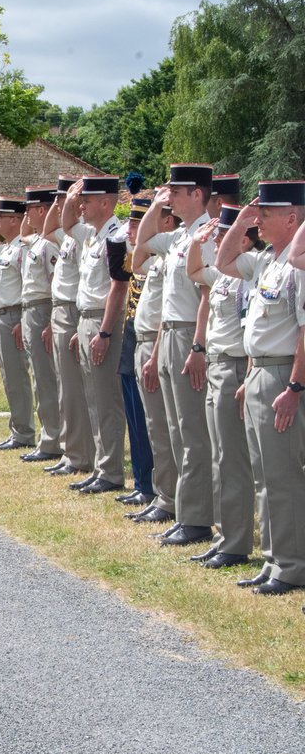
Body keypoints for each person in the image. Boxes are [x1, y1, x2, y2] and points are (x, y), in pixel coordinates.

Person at [216, 181, 305, 595]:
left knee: (283, 475)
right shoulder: (267, 261)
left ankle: (291, 565)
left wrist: (295, 387)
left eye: (266, 213)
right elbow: (224, 260)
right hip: (258, 373)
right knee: (264, 477)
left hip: (282, 375)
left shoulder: (297, 267)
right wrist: (241, 221)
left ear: (292, 218)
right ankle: (273, 560)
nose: (259, 219)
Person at [133, 164, 216, 546]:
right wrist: (154, 204)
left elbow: (207, 294)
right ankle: (185, 511)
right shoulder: (181, 235)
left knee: (192, 431)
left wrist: (198, 345)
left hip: (188, 335)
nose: (171, 197)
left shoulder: (208, 234)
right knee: (175, 429)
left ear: (197, 193)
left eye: (177, 191)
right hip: (169, 332)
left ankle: (197, 519)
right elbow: (144, 242)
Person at [186, 205, 255, 568]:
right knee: (219, 457)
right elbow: (194, 271)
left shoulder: (246, 275)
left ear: (243, 238)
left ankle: (236, 542)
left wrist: (246, 374)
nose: (217, 240)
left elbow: (249, 330)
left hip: (234, 367)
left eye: (223, 235)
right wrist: (197, 243)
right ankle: (225, 535)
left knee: (233, 461)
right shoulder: (227, 273)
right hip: (217, 365)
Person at [63, 175, 128, 494]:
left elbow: (119, 287)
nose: (81, 206)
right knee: (92, 397)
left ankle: (112, 471)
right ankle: (103, 466)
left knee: (106, 399)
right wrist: (69, 200)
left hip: (104, 323)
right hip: (86, 319)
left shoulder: (116, 236)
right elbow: (65, 225)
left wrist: (103, 332)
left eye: (86, 201)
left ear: (106, 202)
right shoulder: (91, 234)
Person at [127, 201, 181, 524]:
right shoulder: (161, 256)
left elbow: (166, 314)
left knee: (165, 428)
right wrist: (156, 207)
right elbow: (136, 257)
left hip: (157, 344)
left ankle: (170, 498)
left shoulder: (175, 251)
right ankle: (165, 495)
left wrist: (157, 353)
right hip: (145, 342)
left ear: (168, 221)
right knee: (155, 427)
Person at [41, 177, 95, 477]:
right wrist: (62, 199)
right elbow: (48, 229)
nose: (63, 206)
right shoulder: (68, 235)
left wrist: (69, 203)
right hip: (62, 310)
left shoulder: (81, 236)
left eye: (72, 201)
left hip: (74, 310)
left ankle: (79, 454)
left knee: (75, 388)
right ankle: (71, 449)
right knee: (66, 387)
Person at [108, 196, 155, 509]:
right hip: (131, 334)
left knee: (150, 419)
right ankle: (141, 482)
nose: (131, 230)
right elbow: (115, 245)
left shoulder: (153, 258)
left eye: (138, 223)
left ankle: (151, 485)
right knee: (134, 417)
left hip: (148, 336)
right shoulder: (135, 255)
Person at [0, 196, 34, 451]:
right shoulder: (9, 248)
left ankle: (24, 433)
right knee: (9, 377)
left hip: (14, 316)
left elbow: (31, 285)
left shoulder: (23, 249)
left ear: (15, 219)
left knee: (17, 377)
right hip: (2, 317)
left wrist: (23, 320)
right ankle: (18, 430)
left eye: (1, 218)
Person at [18, 186, 62, 462]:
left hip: (43, 309)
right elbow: (23, 233)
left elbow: (54, 284)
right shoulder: (34, 241)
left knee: (46, 379)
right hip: (29, 310)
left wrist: (49, 323)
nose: (26, 213)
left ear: (43, 210)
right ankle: (48, 435)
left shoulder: (49, 245)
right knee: (38, 378)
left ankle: (52, 439)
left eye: (31, 208)